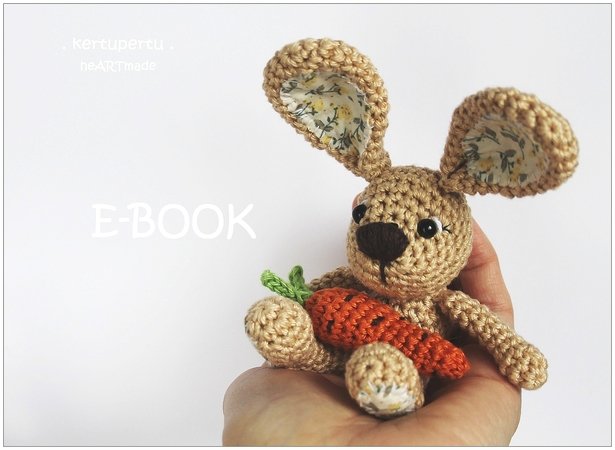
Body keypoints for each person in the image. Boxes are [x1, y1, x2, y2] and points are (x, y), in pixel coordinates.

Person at [223, 220, 521, 445]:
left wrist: (513, 351)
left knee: (380, 365)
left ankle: (393, 391)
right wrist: (303, 300)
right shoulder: (349, 281)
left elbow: (485, 323)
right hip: (335, 354)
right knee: (282, 323)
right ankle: (298, 348)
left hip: (410, 364)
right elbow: (313, 292)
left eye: (427, 228)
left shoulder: (447, 300)